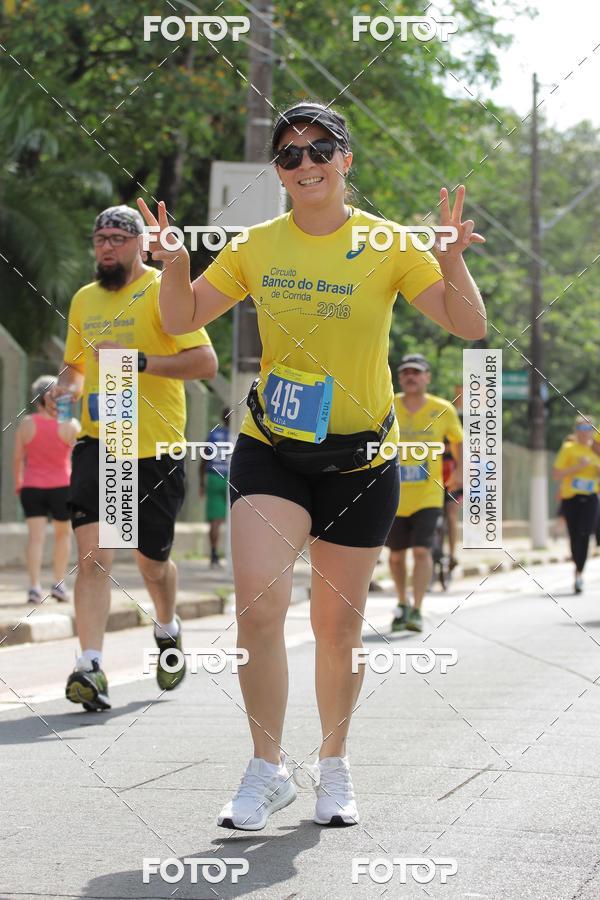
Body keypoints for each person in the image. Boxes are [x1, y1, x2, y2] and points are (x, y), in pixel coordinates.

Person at [138, 100, 486, 830]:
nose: (306, 165)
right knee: (260, 609)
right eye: (290, 155)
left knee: (337, 630)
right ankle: (266, 770)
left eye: (320, 149)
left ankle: (334, 766)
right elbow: (179, 319)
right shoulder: (257, 245)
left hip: (360, 461)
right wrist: (175, 265)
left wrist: (451, 259)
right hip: (273, 449)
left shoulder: (389, 244)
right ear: (278, 170)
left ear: (345, 160)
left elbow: (467, 324)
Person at [47, 205, 217, 711]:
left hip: (154, 449)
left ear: (142, 245)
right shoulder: (83, 299)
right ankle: (90, 666)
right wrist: (63, 394)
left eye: (118, 238)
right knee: (95, 557)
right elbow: (76, 369)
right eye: (100, 237)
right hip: (101, 443)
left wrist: (140, 361)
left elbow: (205, 361)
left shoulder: (164, 291)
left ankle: (167, 628)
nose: (106, 246)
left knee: (152, 562)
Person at [386, 355, 463, 633]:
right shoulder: (387, 403)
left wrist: (460, 471)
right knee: (395, 557)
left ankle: (417, 609)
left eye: (416, 373)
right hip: (392, 493)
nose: (410, 377)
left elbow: (458, 441)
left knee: (421, 551)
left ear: (427, 377)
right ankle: (402, 602)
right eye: (405, 372)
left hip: (429, 495)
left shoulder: (442, 409)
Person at [13, 375, 79, 604]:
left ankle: (33, 587)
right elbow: (79, 457)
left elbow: (17, 459)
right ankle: (59, 584)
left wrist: (18, 483)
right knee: (63, 536)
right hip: (62, 487)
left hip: (32, 487)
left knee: (35, 538)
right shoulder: (70, 425)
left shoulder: (26, 424)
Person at [553, 416, 600, 593]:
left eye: (589, 429)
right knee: (574, 536)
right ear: (576, 430)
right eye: (581, 428)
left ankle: (580, 573)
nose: (585, 432)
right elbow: (556, 474)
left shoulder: (596, 451)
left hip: (591, 498)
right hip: (570, 498)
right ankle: (577, 567)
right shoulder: (568, 448)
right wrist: (578, 467)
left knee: (585, 534)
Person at [200, 407, 231, 566]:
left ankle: (213, 554)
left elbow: (204, 459)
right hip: (231, 476)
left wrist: (201, 483)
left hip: (213, 475)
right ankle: (235, 555)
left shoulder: (214, 435)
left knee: (215, 521)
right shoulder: (237, 435)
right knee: (238, 518)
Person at [442, 436, 464, 570]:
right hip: (434, 485)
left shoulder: (459, 442)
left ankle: (452, 554)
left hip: (454, 485)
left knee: (451, 514)